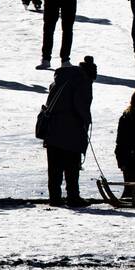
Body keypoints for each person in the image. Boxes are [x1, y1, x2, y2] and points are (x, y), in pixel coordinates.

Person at [37, 55, 97, 206]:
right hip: (72, 130)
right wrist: (86, 120)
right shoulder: (83, 81)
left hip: (52, 129)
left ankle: (55, 198)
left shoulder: (61, 79)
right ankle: (73, 197)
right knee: (72, 166)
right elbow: (80, 105)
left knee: (54, 167)